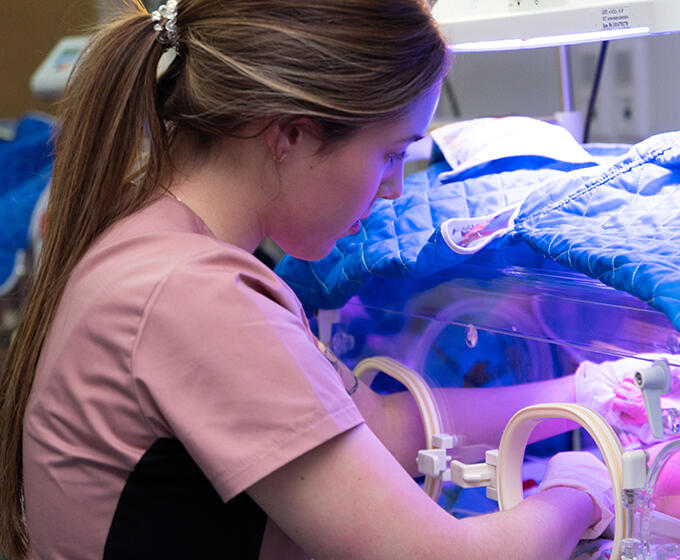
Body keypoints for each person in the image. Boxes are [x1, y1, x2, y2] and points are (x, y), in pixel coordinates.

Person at [0, 1, 615, 558]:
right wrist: (582, 490)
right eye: (392, 153)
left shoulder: (153, 241)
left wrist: (583, 396)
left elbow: (381, 426)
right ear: (290, 135)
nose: (395, 187)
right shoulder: (195, 296)